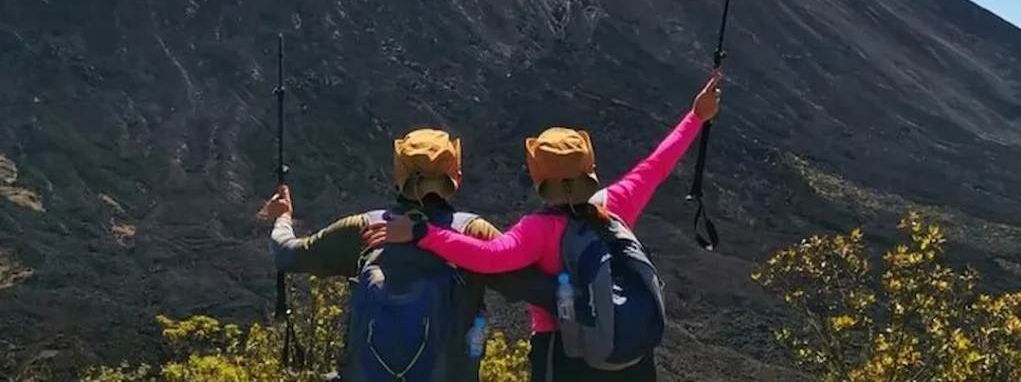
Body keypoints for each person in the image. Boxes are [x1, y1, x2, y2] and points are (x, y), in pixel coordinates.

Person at [363, 70, 724, 382]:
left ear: (537, 174)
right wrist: (696, 116)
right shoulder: (615, 206)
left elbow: (488, 257)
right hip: (629, 352)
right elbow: (657, 165)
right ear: (589, 167)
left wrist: (420, 233)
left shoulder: (537, 231)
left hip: (563, 353)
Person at [259, 127, 558, 382]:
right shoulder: (473, 234)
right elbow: (539, 289)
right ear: (456, 178)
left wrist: (283, 217)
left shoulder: (362, 229)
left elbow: (287, 254)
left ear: (398, 174)